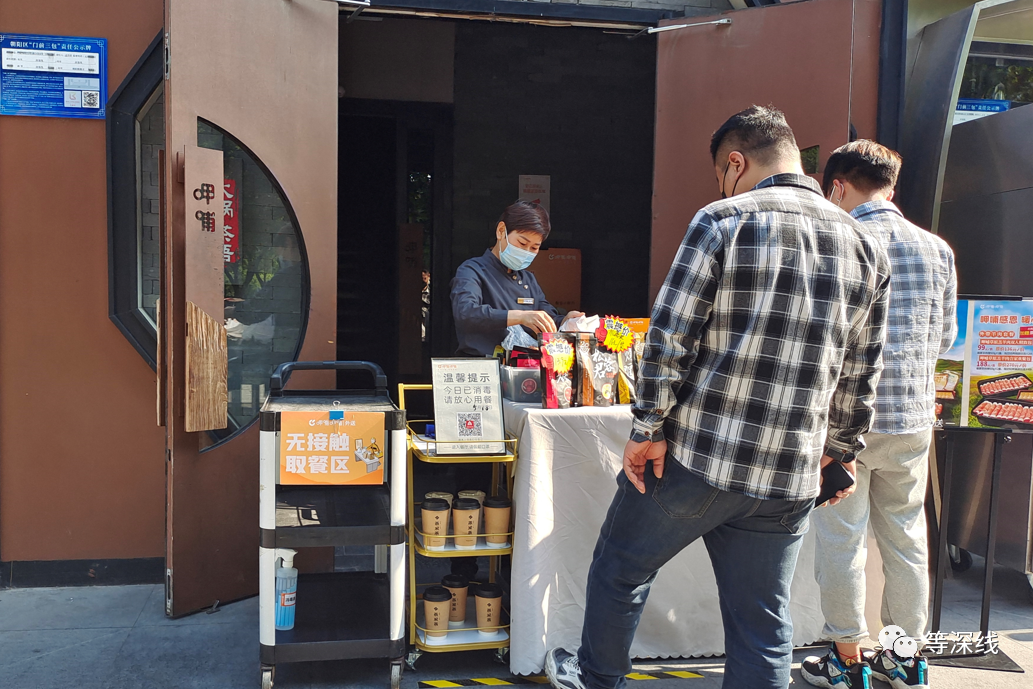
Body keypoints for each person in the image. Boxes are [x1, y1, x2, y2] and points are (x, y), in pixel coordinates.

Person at [544, 105, 890, 689]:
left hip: (699, 458)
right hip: (788, 474)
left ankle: (599, 680)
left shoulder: (722, 220)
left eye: (720, 175)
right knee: (763, 625)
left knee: (621, 572)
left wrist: (648, 429)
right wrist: (841, 451)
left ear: (735, 162)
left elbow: (669, 336)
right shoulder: (864, 245)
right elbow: (861, 372)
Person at [801, 141, 957, 689]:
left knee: (842, 542)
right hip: (912, 418)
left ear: (838, 186)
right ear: (891, 187)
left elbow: (819, 339)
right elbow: (944, 338)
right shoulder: (937, 249)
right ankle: (906, 660)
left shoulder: (837, 241)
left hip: (846, 424)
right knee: (907, 539)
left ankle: (847, 661)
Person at [450, 200, 582, 356]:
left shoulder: (528, 279)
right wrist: (520, 317)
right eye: (522, 243)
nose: (527, 251)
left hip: (523, 365)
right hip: (483, 364)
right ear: (501, 231)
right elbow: (465, 313)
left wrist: (566, 321)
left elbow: (546, 317)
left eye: (534, 247)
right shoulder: (472, 270)